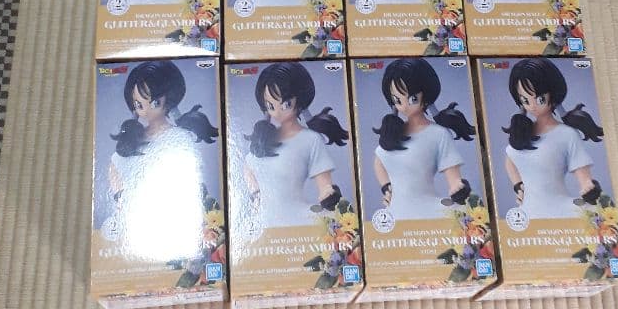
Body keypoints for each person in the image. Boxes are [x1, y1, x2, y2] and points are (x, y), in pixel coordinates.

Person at [101, 60, 218, 261]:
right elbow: (114, 165)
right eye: (139, 105)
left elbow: (189, 179)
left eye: (154, 102)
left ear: (169, 99)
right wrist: (120, 196)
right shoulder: (133, 137)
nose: (145, 110)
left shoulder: (179, 137)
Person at [243, 63, 349, 229]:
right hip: (264, 220)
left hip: (298, 219)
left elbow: (324, 185)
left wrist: (329, 196)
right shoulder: (262, 140)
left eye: (286, 104)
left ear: (300, 101)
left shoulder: (310, 139)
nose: (277, 112)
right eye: (271, 106)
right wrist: (256, 197)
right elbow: (248, 167)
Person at [372, 58, 475, 219]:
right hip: (395, 212)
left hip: (428, 211)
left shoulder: (438, 134)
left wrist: (458, 188)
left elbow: (454, 178)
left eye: (412, 98)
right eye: (397, 100)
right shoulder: (392, 133)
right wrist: (386, 187)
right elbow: (379, 162)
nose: (404, 106)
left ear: (426, 95)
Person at [502, 58, 604, 218]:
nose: (532, 106)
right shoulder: (522, 133)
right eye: (525, 100)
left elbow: (583, 175)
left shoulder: (566, 134)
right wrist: (518, 185)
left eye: (540, 99)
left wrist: (588, 187)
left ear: (553, 93)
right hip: (527, 211)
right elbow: (510, 161)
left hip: (560, 211)